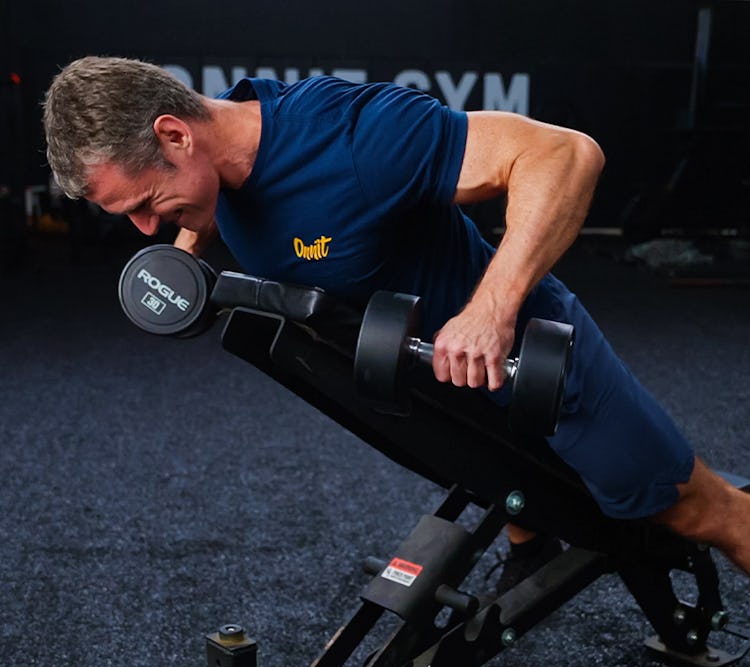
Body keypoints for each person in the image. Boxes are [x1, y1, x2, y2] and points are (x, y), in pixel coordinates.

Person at [43, 57, 750, 586]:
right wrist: (183, 259)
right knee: (491, 467)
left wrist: (491, 312)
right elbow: (202, 213)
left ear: (174, 135)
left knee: (696, 511)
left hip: (524, 357)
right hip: (428, 376)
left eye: (144, 204)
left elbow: (566, 154)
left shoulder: (352, 140)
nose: (144, 230)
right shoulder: (213, 158)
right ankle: (530, 544)